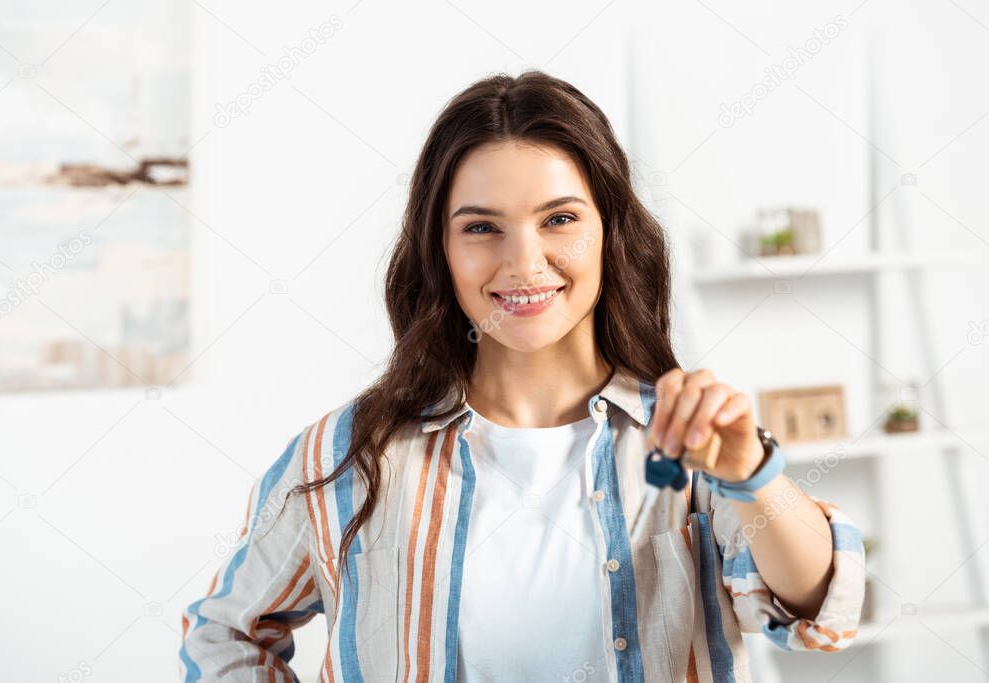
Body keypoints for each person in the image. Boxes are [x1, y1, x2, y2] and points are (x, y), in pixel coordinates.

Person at [178, 69, 865, 683]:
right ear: (439, 248)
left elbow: (821, 614)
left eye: (559, 219)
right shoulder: (349, 453)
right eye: (481, 228)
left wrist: (750, 474)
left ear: (610, 231)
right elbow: (225, 633)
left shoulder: (693, 436)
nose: (525, 263)